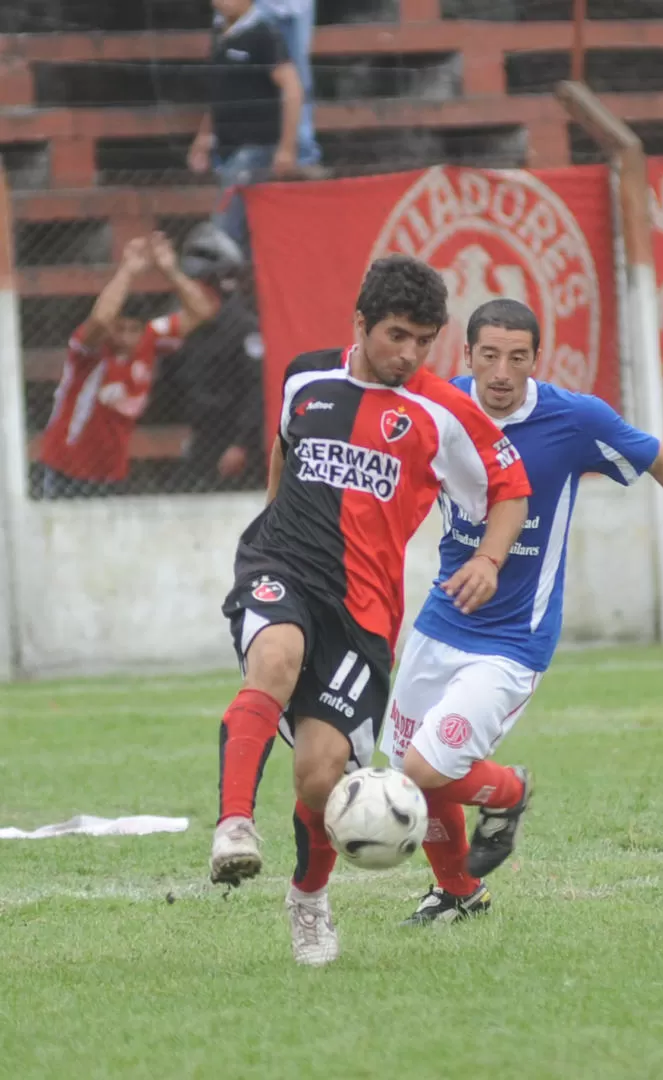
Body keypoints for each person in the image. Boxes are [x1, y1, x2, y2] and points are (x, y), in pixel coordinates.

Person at [381, 298, 663, 926]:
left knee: (426, 767)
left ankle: (509, 792)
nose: (501, 372)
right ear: (465, 357)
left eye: (517, 358)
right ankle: (459, 894)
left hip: (513, 641)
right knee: (411, 775)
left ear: (535, 360)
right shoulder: (439, 407)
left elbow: (661, 460)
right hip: (440, 620)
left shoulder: (573, 420)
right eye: (488, 356)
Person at [210, 255, 532, 967]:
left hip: (362, 613)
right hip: (281, 568)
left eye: (424, 340)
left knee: (322, 777)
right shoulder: (306, 375)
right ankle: (234, 825)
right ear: (358, 323)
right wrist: (270, 526)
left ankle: (307, 898)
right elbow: (285, 450)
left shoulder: (442, 410)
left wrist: (488, 559)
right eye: (396, 336)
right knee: (275, 657)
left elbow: (511, 486)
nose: (410, 354)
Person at [40, 233, 217, 498]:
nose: (124, 336)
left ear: (142, 329)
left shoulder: (151, 337)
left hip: (111, 473)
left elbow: (202, 311)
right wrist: (127, 271)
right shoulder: (90, 352)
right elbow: (100, 320)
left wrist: (170, 270)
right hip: (68, 471)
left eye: (132, 329)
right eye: (119, 327)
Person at [187, 0, 303, 253]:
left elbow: (293, 88)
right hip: (227, 150)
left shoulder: (263, 33)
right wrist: (205, 136)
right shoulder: (219, 33)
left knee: (223, 231)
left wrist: (287, 147)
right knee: (245, 232)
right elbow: (219, 93)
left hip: (256, 147)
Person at [173, 223, 265, 491]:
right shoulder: (191, 328)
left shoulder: (244, 328)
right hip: (203, 437)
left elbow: (256, 390)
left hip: (235, 440)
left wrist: (241, 444)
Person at [257, 0, 323, 171]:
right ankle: (242, 154)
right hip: (252, 6)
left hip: (295, 6)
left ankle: (303, 155)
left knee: (299, 78)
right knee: (242, 68)